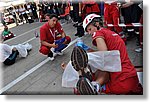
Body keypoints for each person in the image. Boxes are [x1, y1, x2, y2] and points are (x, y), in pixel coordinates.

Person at [74, 13, 143, 95]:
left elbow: (104, 56)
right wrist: (88, 50)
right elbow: (110, 54)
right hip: (132, 79)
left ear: (96, 24)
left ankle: (95, 86)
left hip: (120, 81)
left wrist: (88, 56)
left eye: (89, 29)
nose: (89, 33)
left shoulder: (98, 33)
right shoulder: (112, 33)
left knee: (80, 90)